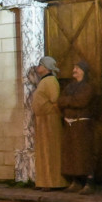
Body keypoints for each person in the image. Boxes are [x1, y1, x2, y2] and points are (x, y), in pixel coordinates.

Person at [58, 60, 96, 194]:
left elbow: (81, 101)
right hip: (70, 125)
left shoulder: (88, 87)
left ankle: (88, 183)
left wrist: (68, 101)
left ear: (84, 71)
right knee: (72, 155)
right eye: (74, 67)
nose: (74, 70)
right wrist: (69, 101)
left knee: (83, 154)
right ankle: (76, 181)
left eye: (77, 68)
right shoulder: (69, 87)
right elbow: (60, 100)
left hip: (82, 126)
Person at [32, 56, 66, 190]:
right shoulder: (44, 81)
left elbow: (55, 101)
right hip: (43, 120)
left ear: (46, 68)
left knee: (51, 151)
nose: (37, 67)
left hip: (50, 120)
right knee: (44, 151)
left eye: (40, 65)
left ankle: (53, 181)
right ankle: (44, 181)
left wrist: (58, 118)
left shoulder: (51, 81)